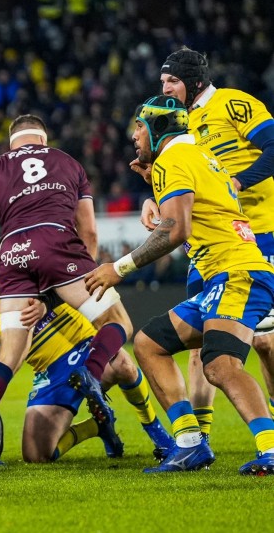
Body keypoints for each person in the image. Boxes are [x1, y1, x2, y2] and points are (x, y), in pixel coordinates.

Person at [86, 95, 274, 474]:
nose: (134, 135)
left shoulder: (174, 158)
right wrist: (155, 183)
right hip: (225, 274)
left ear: (158, 128)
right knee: (148, 343)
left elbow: (175, 231)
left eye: (140, 126)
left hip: (235, 272)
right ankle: (190, 444)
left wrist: (118, 269)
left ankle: (271, 448)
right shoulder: (199, 156)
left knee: (220, 365)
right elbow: (192, 214)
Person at [0, 113, 133, 464]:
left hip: (13, 250)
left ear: (12, 140)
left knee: (9, 355)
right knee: (118, 321)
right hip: (58, 243)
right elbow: (89, 232)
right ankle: (91, 374)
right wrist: (81, 270)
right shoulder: (68, 162)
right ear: (43, 140)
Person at [141, 48, 274, 436]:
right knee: (200, 341)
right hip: (207, 243)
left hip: (257, 232)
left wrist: (238, 181)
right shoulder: (179, 127)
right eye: (162, 81)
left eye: (172, 81)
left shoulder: (233, 103)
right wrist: (152, 194)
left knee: (265, 340)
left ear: (194, 82)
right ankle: (198, 434)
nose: (164, 88)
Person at [0, 237, 174, 462]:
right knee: (36, 455)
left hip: (83, 347)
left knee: (121, 363)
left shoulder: (24, 268)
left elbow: (70, 284)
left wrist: (45, 304)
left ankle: (157, 433)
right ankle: (97, 427)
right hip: (49, 374)